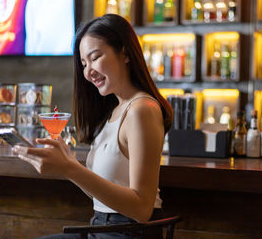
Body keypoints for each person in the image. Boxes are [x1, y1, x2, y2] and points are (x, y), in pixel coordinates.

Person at [13, 14, 173, 238]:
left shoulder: (141, 109)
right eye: (84, 64)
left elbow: (142, 209)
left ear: (125, 53)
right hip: (101, 227)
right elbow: (104, 195)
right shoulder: (114, 110)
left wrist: (71, 169)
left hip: (128, 232)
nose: (88, 72)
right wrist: (68, 166)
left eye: (95, 57)